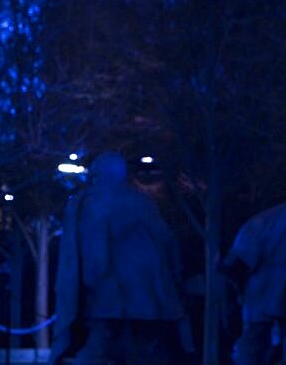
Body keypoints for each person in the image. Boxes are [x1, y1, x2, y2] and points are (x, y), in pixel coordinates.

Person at [51, 152, 189, 365]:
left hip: (103, 297)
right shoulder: (142, 202)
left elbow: (85, 253)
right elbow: (167, 244)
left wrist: (83, 288)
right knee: (140, 353)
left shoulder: (86, 201)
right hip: (146, 301)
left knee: (99, 349)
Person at [222, 201, 286, 364]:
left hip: (261, 292)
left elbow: (239, 260)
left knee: (253, 341)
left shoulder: (266, 219)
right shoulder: (273, 217)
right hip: (281, 293)